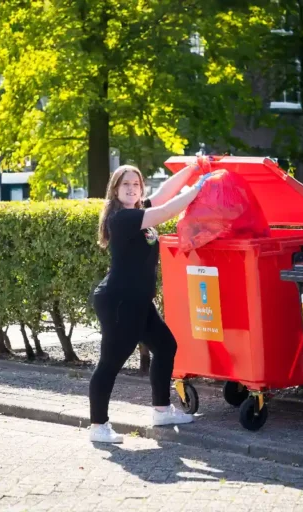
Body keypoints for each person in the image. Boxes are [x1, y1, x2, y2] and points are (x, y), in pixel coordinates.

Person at [89, 159, 212, 444]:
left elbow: (165, 193)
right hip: (120, 301)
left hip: (139, 300)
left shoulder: (137, 210)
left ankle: (161, 410)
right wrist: (198, 188)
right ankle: (98, 426)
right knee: (110, 363)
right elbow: (167, 210)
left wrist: (193, 169)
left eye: (136, 184)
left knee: (166, 347)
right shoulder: (122, 218)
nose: (132, 188)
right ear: (115, 189)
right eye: (125, 184)